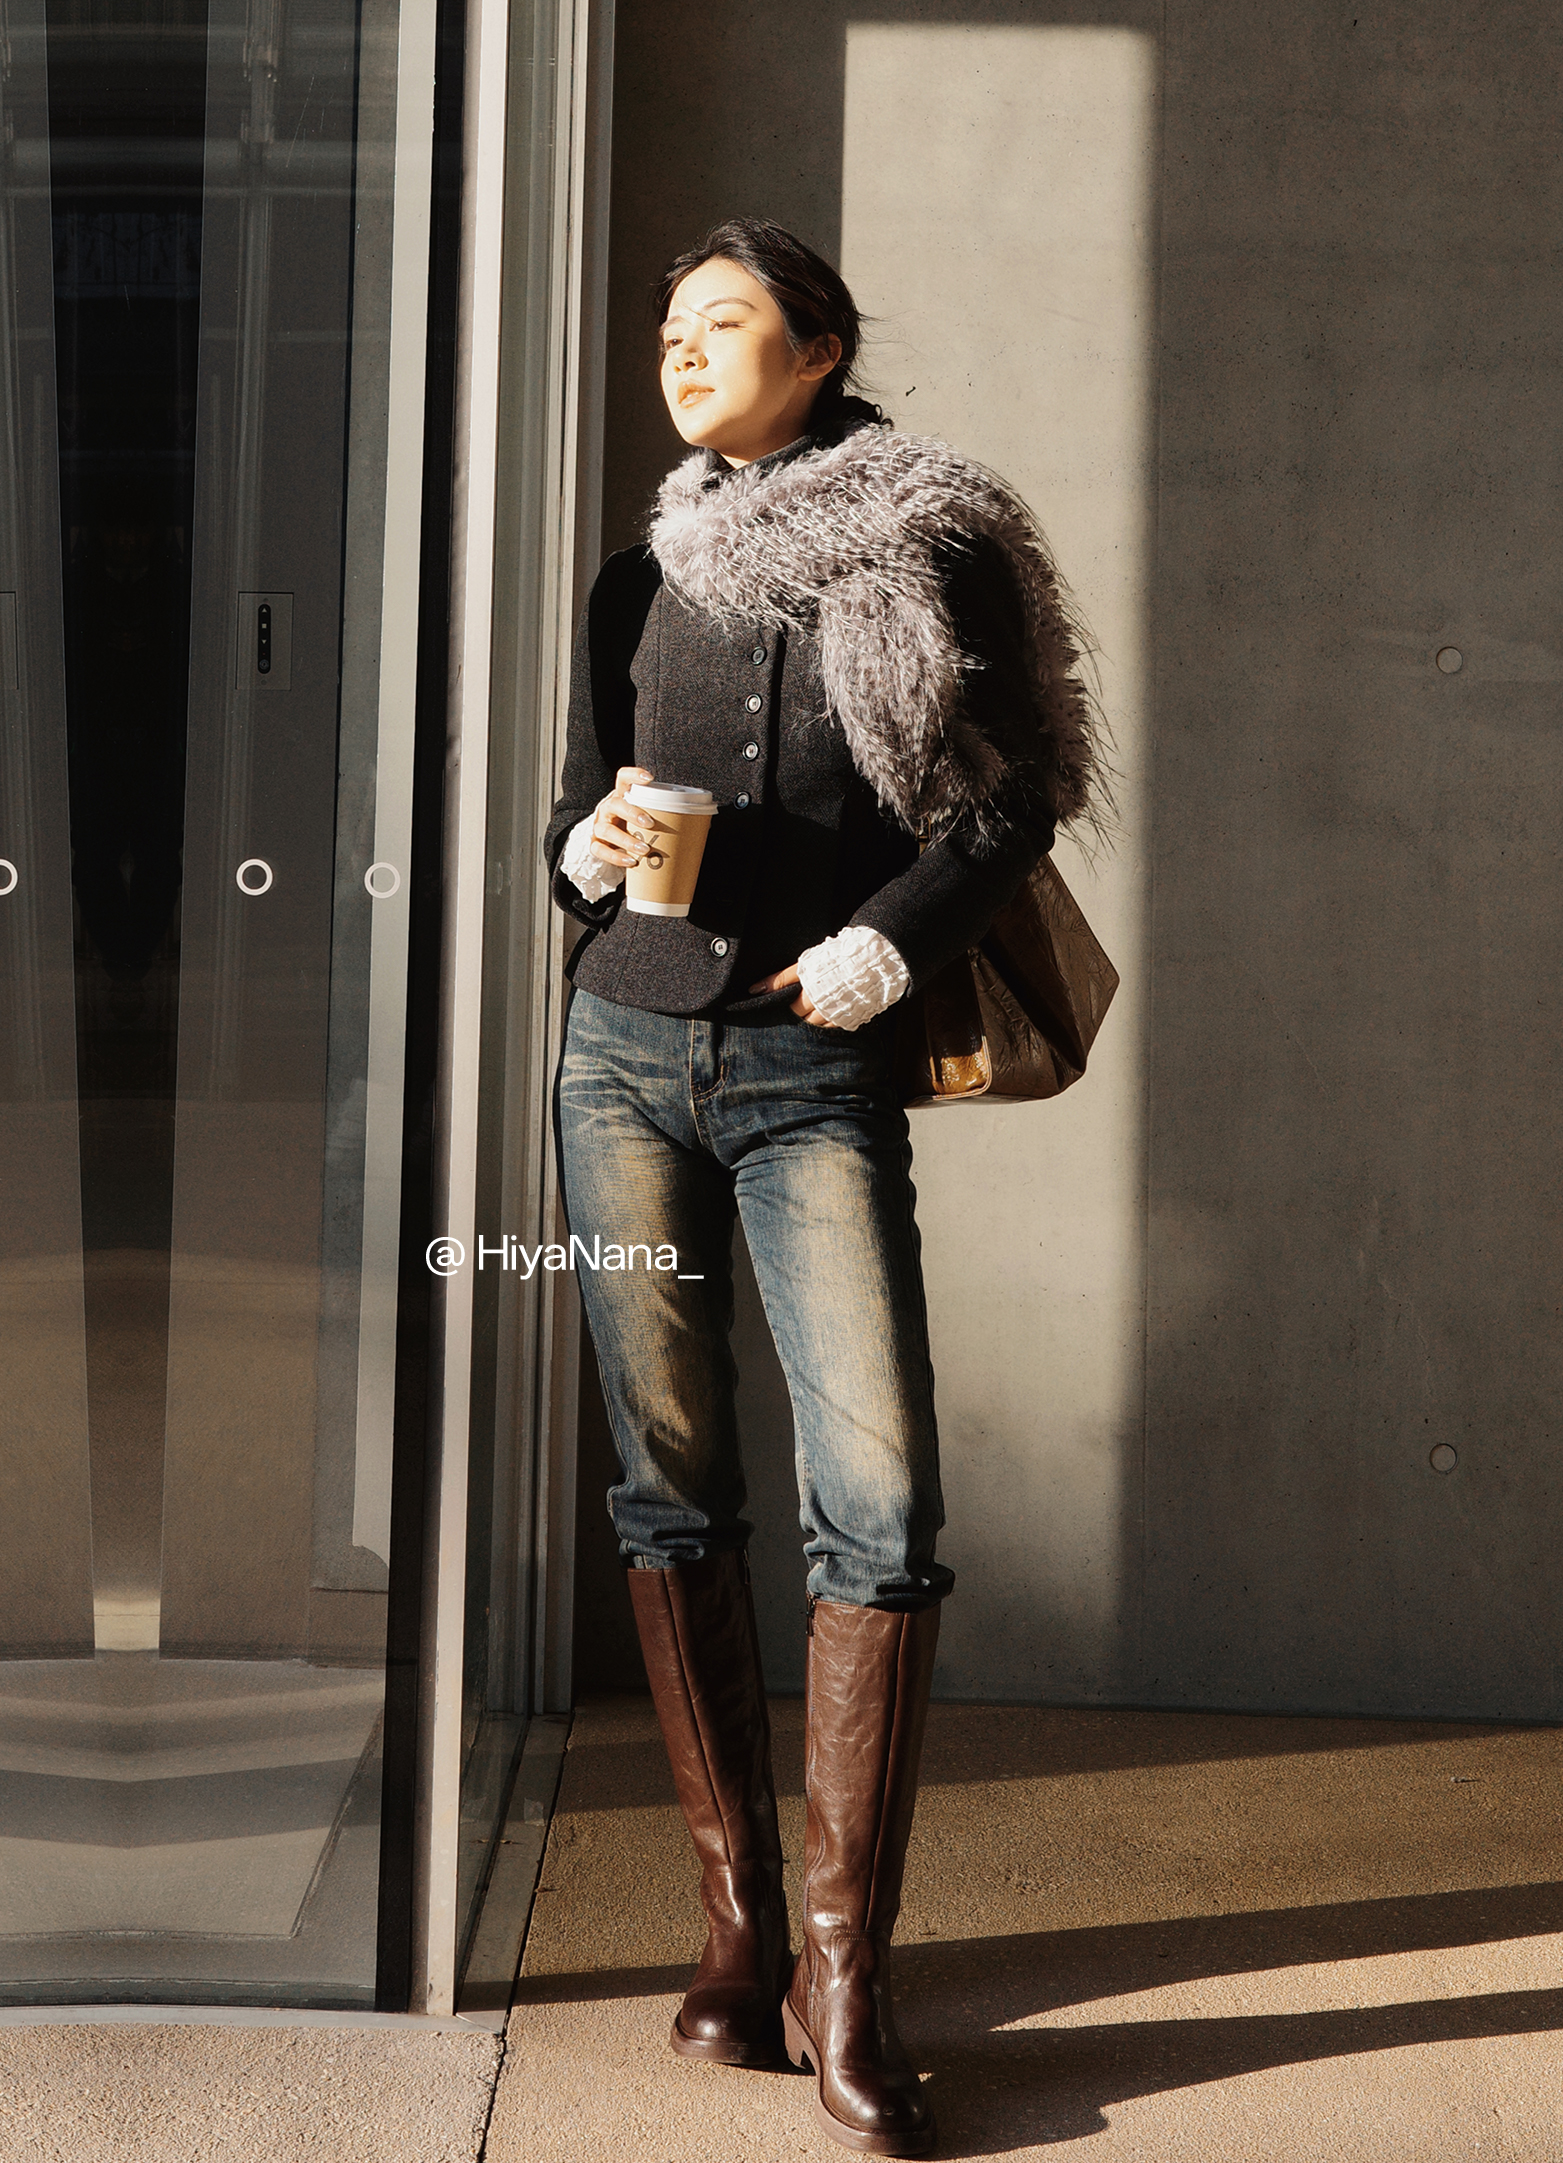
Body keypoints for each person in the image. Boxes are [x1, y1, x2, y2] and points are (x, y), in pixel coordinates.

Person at [545, 217, 1108, 2157]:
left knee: (875, 1505)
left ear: (820, 350)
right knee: (666, 1482)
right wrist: (582, 850)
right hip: (619, 1052)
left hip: (810, 1067)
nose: (680, 350)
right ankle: (735, 1929)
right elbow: (580, 803)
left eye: (722, 323)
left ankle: (842, 1974)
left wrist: (884, 942)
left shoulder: (926, 542)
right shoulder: (637, 572)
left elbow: (1012, 792)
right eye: (667, 329)